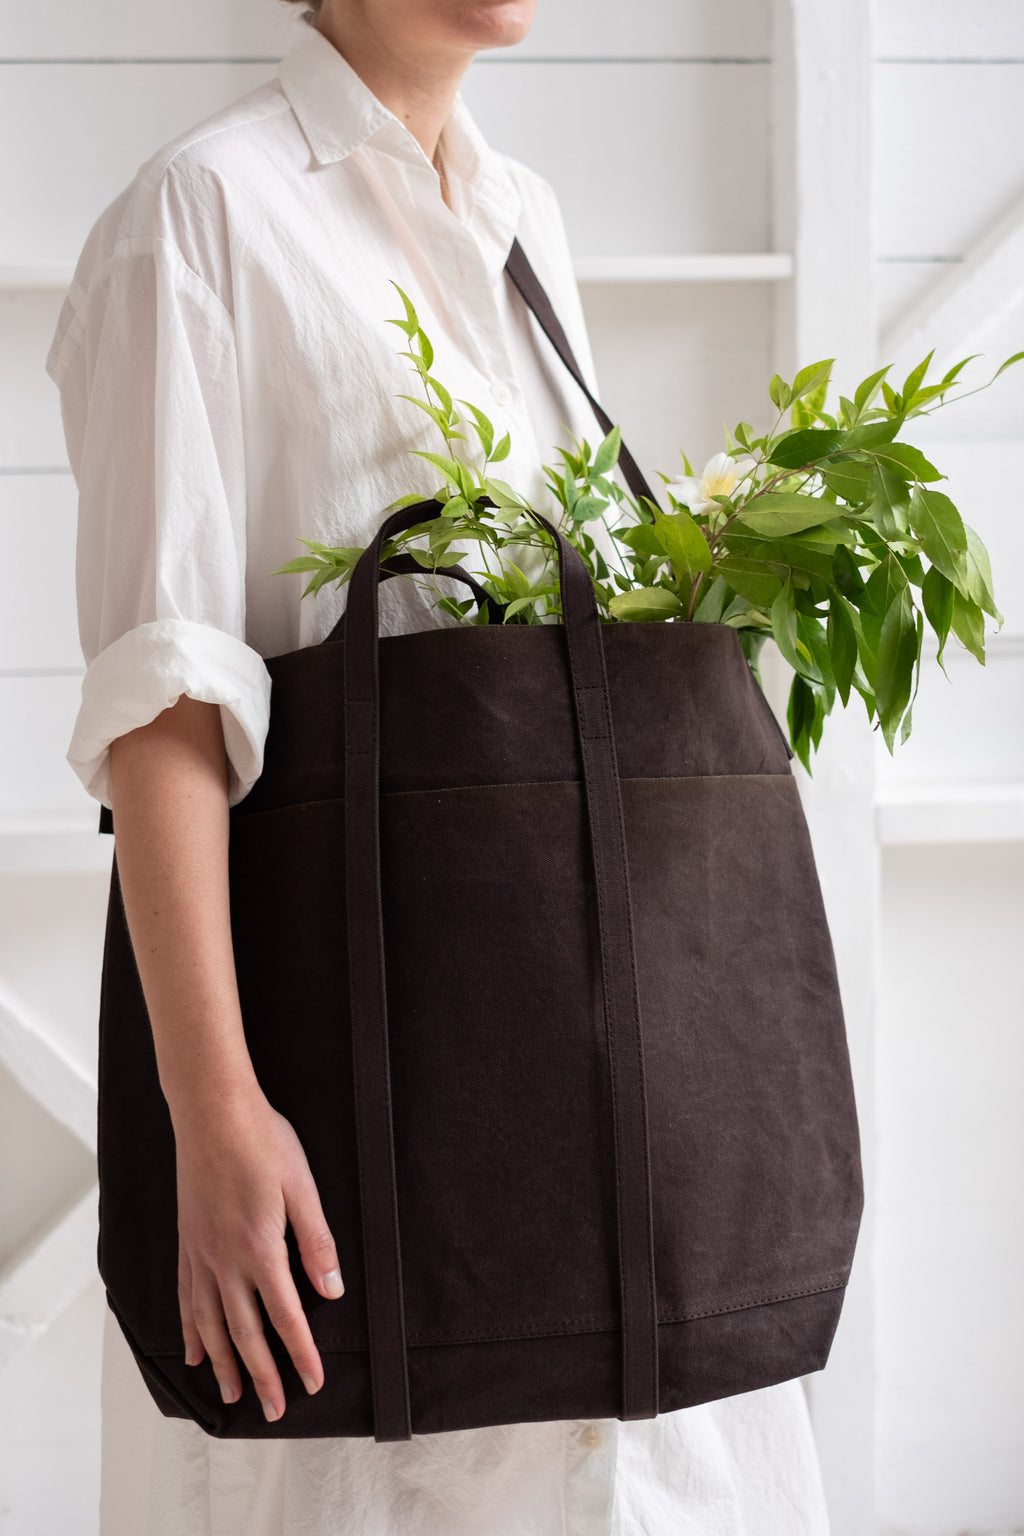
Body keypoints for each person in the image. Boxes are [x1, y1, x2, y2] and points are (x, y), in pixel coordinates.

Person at [46, 2, 833, 1531]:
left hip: (551, 1083)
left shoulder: (518, 214)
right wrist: (214, 1114)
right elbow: (166, 698)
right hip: (353, 1092)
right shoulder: (201, 216)